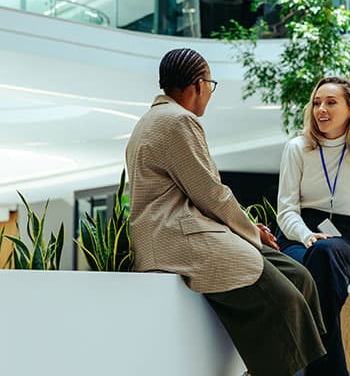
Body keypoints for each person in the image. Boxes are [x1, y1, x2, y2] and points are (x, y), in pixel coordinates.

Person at [125, 47, 326, 376]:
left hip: (186, 234)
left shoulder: (149, 121)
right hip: (181, 238)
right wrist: (253, 232)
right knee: (285, 301)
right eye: (211, 86)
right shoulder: (178, 121)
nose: (210, 95)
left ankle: (278, 367)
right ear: (198, 85)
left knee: (300, 277)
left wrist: (248, 230)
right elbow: (211, 194)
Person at [277, 76, 350, 376]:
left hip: (343, 238)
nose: (321, 109)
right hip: (297, 235)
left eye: (331, 102)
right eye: (316, 103)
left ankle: (304, 364)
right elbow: (286, 210)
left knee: (326, 253)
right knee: (319, 254)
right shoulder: (296, 148)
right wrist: (307, 236)